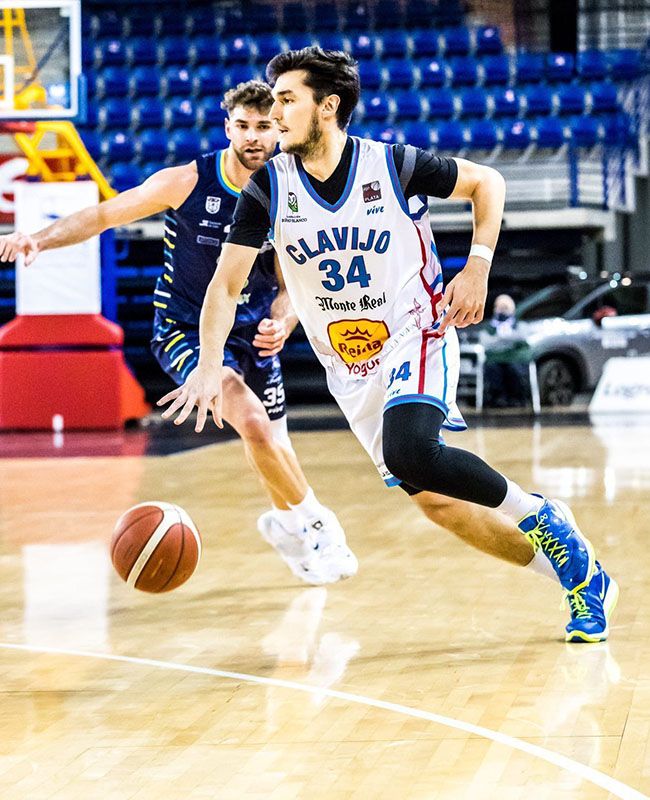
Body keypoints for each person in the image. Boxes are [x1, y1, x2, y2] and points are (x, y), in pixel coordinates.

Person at [158, 48, 618, 643]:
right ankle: (582, 578)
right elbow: (225, 286)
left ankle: (544, 518)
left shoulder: (391, 164)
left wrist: (477, 266)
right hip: (348, 366)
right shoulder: (269, 188)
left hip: (416, 330)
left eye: (287, 100)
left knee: (410, 450)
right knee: (440, 505)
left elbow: (488, 182)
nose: (275, 113)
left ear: (328, 107)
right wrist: (207, 364)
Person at [0, 80, 358, 586]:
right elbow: (104, 214)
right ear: (227, 127)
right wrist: (38, 238)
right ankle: (320, 525)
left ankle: (286, 526)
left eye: (263, 127)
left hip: (251, 330)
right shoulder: (188, 181)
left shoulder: (291, 191)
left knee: (272, 445)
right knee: (252, 421)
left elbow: (292, 284)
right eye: (243, 126)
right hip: (184, 329)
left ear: (279, 130)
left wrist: (284, 320)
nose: (253, 137)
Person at [484, 293, 529, 407]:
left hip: (515, 358)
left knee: (514, 369)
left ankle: (516, 398)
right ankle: (497, 398)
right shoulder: (489, 326)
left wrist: (502, 339)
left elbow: (522, 338)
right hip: (495, 358)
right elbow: (486, 342)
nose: (502, 311)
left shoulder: (519, 324)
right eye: (499, 307)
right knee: (492, 369)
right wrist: (506, 339)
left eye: (505, 308)